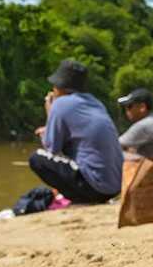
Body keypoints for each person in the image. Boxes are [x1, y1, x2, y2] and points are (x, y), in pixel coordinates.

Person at [29, 59, 123, 204]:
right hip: (114, 188)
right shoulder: (96, 103)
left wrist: (50, 112)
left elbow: (51, 148)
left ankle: (79, 199)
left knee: (36, 158)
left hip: (95, 188)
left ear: (60, 87)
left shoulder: (60, 104)